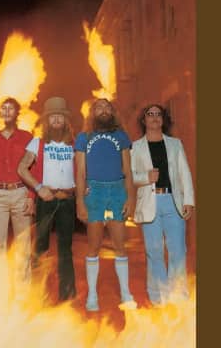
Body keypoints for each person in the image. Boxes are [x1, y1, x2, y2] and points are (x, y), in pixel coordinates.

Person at [74, 98, 137, 312]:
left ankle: (125, 292)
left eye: (107, 107)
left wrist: (131, 198)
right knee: (94, 245)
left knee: (120, 245)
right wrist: (80, 201)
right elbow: (80, 172)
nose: (103, 110)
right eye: (99, 107)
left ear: (112, 112)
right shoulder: (83, 137)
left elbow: (127, 169)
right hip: (94, 191)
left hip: (117, 190)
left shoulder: (121, 136)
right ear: (92, 112)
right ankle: (92, 294)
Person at [130, 104, 195, 306]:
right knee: (154, 251)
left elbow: (185, 172)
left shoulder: (175, 144)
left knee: (178, 250)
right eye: (150, 114)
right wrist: (146, 177)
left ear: (163, 119)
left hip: (173, 201)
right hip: (149, 203)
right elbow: (130, 176)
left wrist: (189, 200)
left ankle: (178, 295)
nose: (154, 117)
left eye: (158, 114)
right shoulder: (135, 147)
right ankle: (158, 297)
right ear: (144, 120)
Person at [17, 97, 77, 302]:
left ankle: (67, 296)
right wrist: (38, 188)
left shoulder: (74, 144)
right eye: (53, 116)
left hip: (67, 200)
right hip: (46, 200)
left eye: (60, 116)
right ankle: (37, 295)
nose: (57, 120)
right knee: (40, 247)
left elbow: (82, 170)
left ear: (66, 120)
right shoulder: (38, 142)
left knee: (65, 249)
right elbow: (22, 168)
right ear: (47, 120)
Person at [0, 98, 34, 295]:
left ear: (17, 112)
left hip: (21, 192)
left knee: (23, 245)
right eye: (4, 108)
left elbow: (34, 169)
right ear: (0, 113)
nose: (7, 111)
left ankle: (23, 292)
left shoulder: (28, 138)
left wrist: (31, 196)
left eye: (11, 108)